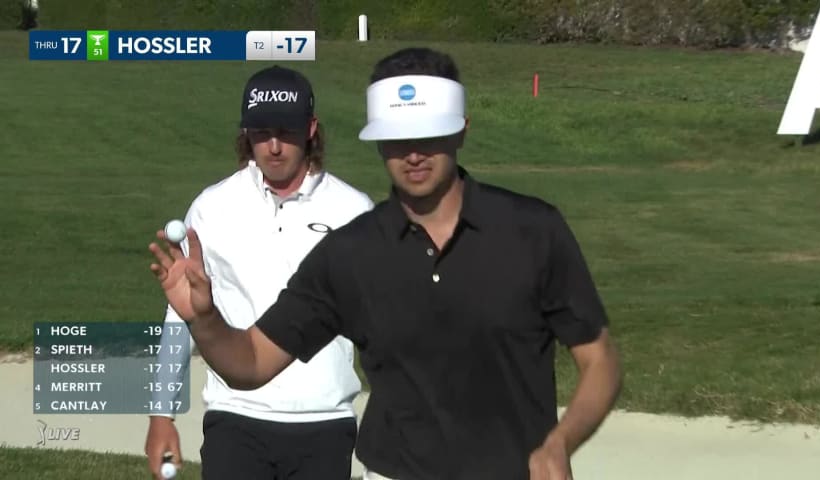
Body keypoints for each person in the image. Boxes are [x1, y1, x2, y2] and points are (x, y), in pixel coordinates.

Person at [149, 48, 622, 480]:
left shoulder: (532, 231)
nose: (413, 152)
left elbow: (600, 361)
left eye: (428, 134)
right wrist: (204, 319)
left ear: (461, 129)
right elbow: (250, 363)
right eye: (396, 138)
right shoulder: (349, 252)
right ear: (377, 142)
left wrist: (561, 443)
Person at [144, 65, 373, 480]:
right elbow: (181, 314)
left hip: (325, 421)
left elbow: (381, 324)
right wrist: (161, 413)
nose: (273, 146)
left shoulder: (353, 210)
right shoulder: (213, 206)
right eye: (260, 132)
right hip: (235, 417)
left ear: (310, 129)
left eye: (285, 132)